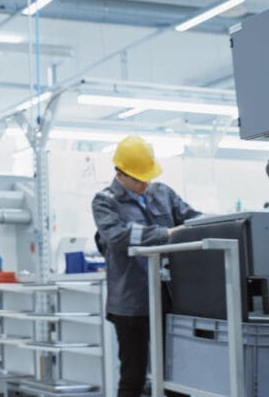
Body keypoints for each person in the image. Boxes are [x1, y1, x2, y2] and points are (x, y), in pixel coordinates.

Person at [92, 135, 200, 397]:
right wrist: (168, 233)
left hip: (168, 299)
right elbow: (118, 236)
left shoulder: (163, 193)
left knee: (177, 374)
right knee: (133, 375)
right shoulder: (105, 201)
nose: (145, 183)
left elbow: (193, 220)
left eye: (147, 176)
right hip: (130, 304)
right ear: (120, 174)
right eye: (138, 178)